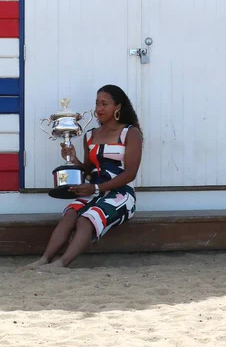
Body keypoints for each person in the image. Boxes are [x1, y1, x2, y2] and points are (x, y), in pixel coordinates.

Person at [31, 84, 143, 269]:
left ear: (118, 107)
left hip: (121, 195)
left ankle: (61, 263)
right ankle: (44, 259)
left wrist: (97, 188)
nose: (99, 109)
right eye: (97, 103)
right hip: (95, 192)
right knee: (70, 213)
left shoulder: (130, 133)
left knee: (86, 218)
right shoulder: (90, 135)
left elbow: (130, 174)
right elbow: (89, 170)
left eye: (104, 104)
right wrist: (73, 159)